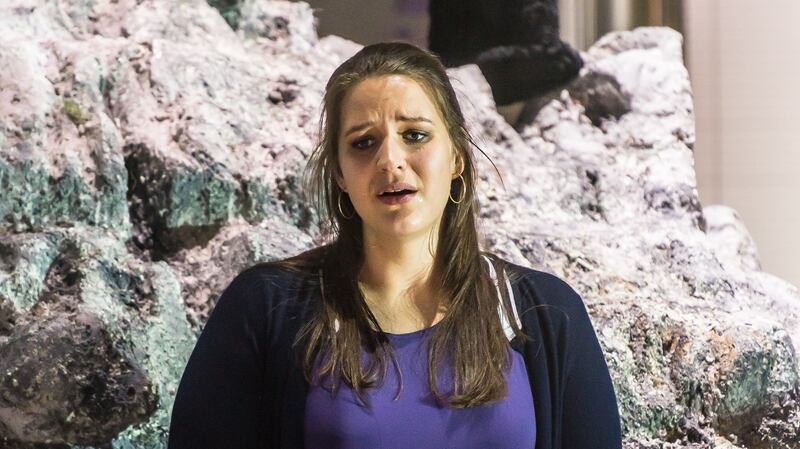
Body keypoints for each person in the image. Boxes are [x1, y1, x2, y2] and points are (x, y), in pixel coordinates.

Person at [167, 41, 621, 449]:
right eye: (363, 143)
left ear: (457, 156)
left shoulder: (546, 314)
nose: (390, 160)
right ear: (341, 175)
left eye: (415, 135)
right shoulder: (265, 309)